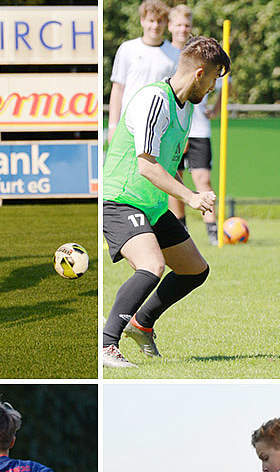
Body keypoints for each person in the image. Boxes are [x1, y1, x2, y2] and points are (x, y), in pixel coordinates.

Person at [101, 37, 230, 368]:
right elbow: (146, 165)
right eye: (215, 77)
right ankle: (106, 344)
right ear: (200, 73)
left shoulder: (186, 107)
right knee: (152, 267)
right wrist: (191, 197)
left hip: (152, 206)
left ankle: (141, 324)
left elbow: (170, 162)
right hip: (121, 200)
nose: (214, 86)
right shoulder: (155, 100)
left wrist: (186, 188)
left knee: (194, 270)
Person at [167, 5, 224, 246]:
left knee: (203, 180)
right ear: (170, 26)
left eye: (186, 25)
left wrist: (216, 109)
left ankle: (213, 230)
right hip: (174, 129)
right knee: (174, 179)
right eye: (178, 24)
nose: (182, 29)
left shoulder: (202, 55)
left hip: (199, 128)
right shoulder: (164, 54)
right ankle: (180, 230)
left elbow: (222, 85)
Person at [107, 0, 179, 146]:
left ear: (166, 23)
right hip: (127, 126)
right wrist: (112, 126)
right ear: (142, 21)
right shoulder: (127, 49)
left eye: (159, 21)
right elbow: (118, 89)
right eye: (151, 20)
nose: (155, 26)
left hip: (160, 129)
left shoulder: (175, 54)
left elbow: (177, 96)